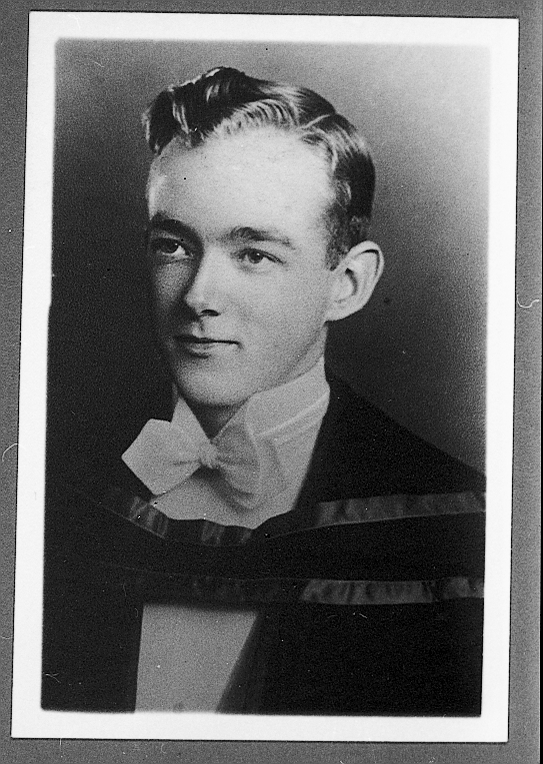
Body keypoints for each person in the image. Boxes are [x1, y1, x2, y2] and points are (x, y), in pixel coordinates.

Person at [42, 67, 485, 715]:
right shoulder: (47, 485)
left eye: (254, 254)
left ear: (347, 285)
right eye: (173, 246)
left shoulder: (459, 527)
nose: (199, 297)